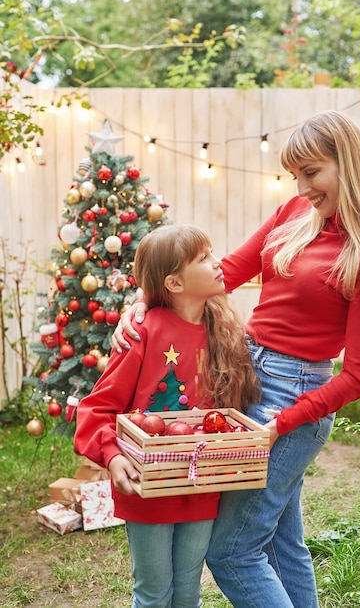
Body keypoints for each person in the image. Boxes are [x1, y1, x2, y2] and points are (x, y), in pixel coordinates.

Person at [111, 110, 360, 608]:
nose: (302, 186)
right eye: (296, 175)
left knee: (233, 552)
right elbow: (224, 270)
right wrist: (144, 300)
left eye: (312, 173)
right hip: (246, 376)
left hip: (293, 400)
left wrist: (281, 423)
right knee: (283, 543)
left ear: (346, 165)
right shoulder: (293, 214)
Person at [74, 224, 259, 608]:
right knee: (154, 593)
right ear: (174, 283)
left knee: (189, 590)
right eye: (203, 258)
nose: (217, 262)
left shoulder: (223, 333)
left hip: (201, 487)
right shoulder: (143, 331)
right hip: (149, 487)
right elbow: (97, 407)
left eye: (212, 252)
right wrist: (113, 455)